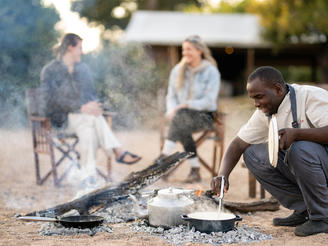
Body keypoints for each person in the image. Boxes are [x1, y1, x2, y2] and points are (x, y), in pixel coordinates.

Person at [211, 66, 328, 236]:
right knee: (252, 154)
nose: (256, 104)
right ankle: (305, 211)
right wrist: (222, 175)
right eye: (253, 99)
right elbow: (237, 144)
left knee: (299, 148)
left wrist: (297, 133)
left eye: (259, 97)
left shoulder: (310, 95)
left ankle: (324, 219)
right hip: (317, 165)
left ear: (278, 89)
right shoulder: (266, 111)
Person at [40, 33, 141, 182]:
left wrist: (94, 105)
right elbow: (50, 101)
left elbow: (92, 95)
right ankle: (117, 151)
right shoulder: (49, 70)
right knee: (91, 120)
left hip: (85, 120)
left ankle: (88, 176)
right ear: (70, 48)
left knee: (89, 128)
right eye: (79, 48)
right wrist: (80, 107)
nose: (82, 52)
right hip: (61, 122)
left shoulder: (83, 69)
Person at [158, 35, 221, 183]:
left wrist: (187, 105)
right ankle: (195, 171)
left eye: (189, 49)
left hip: (205, 116)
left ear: (199, 51)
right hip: (181, 117)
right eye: (183, 49)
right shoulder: (177, 71)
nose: (185, 53)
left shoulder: (211, 71)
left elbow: (210, 100)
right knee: (181, 120)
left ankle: (163, 158)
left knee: (181, 117)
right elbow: (171, 96)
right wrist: (171, 110)